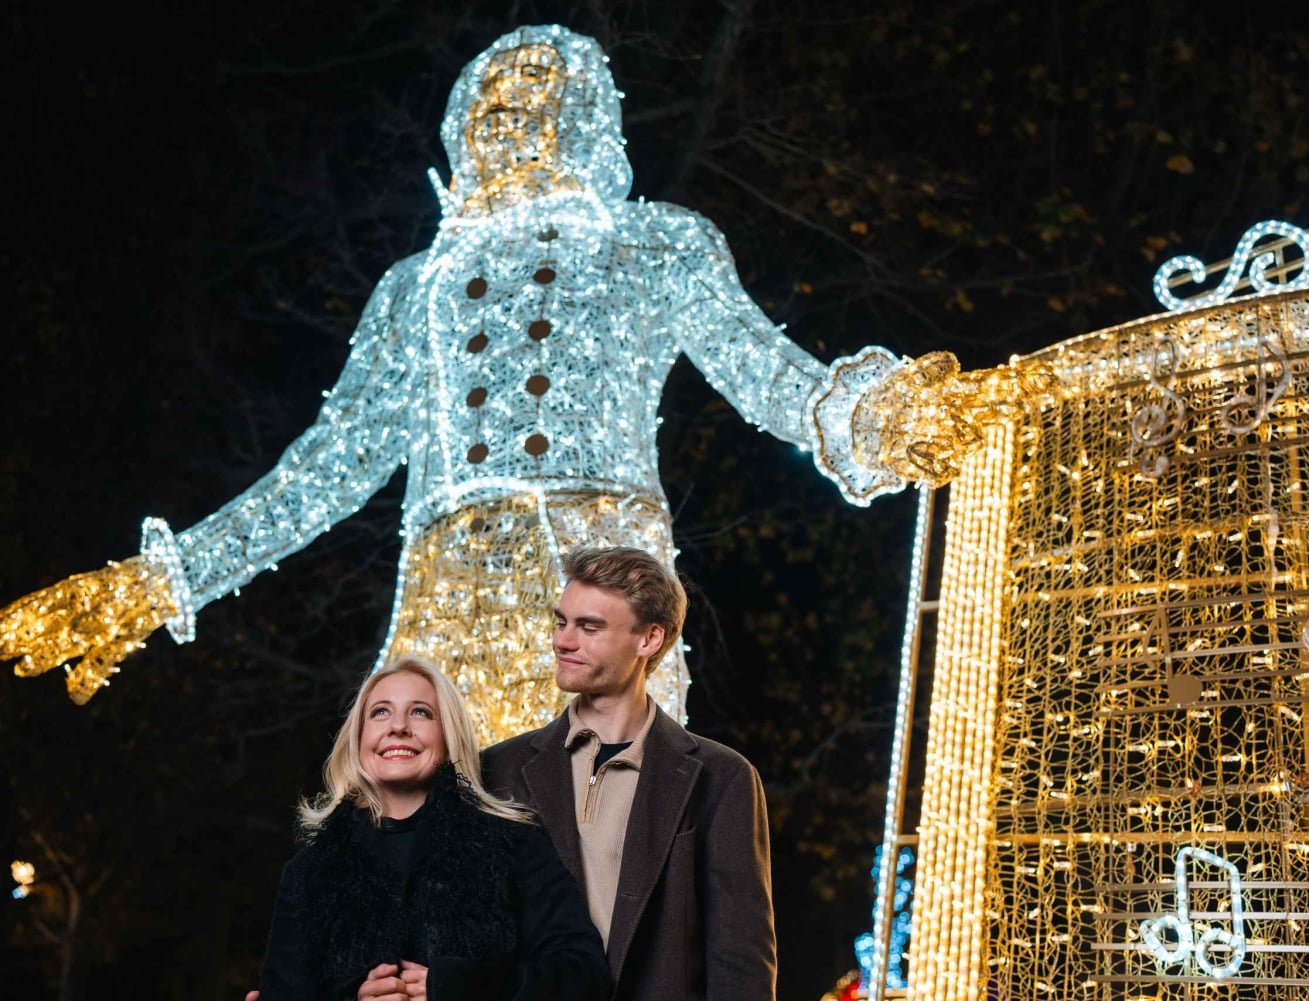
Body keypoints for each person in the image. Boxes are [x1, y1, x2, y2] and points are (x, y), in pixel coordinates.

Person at [0, 23, 986, 746]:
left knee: (596, 860)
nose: (505, 112)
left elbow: (773, 377)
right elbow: (322, 472)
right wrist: (158, 581)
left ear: (581, 116)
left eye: (533, 93)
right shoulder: (411, 290)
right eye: (488, 97)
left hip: (598, 568)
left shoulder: (653, 242)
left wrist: (879, 415)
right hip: (444, 587)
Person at [482, 547, 774, 1001]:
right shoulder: (498, 769)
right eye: (561, 622)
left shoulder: (722, 778)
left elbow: (740, 963)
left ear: (649, 639)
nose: (563, 640)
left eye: (589, 627)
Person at [255, 656, 610, 1001]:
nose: (398, 726)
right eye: (380, 712)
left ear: (448, 734)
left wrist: (458, 987)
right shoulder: (309, 874)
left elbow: (583, 975)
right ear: (358, 740)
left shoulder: (515, 848)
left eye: (421, 712)